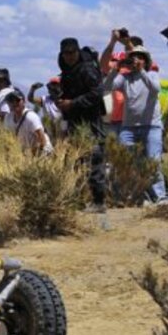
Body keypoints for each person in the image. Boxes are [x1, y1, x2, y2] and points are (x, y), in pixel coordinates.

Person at [103, 38, 168, 204]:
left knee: (153, 162)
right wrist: (116, 68)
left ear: (146, 60)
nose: (136, 60)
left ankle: (160, 196)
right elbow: (106, 87)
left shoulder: (152, 74)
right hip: (129, 128)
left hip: (151, 126)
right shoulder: (125, 78)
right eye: (134, 57)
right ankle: (138, 195)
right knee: (127, 161)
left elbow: (155, 89)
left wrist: (142, 71)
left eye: (140, 57)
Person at [56, 37, 108, 213]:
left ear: (78, 52)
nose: (69, 56)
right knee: (76, 161)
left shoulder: (86, 69)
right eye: (66, 53)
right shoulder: (67, 72)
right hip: (74, 122)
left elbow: (97, 93)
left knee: (95, 160)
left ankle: (99, 202)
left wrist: (73, 103)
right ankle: (80, 198)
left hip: (91, 122)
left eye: (72, 52)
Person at [4, 89, 53, 155]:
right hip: (27, 151)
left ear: (24, 102)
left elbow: (42, 141)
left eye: (17, 100)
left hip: (43, 151)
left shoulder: (31, 117)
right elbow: (7, 138)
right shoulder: (8, 118)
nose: (14, 103)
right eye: (11, 101)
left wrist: (30, 155)